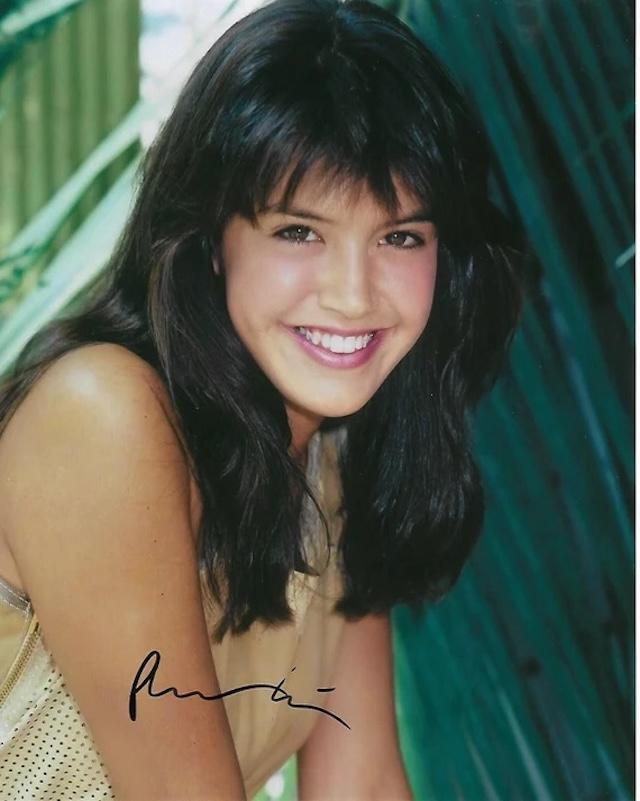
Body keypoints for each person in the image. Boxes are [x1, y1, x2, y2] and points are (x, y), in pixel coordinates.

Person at [0, 0, 523, 798]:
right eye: (299, 232)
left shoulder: (333, 466)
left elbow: (364, 785)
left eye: (400, 237)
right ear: (211, 240)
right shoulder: (101, 413)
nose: (353, 296)